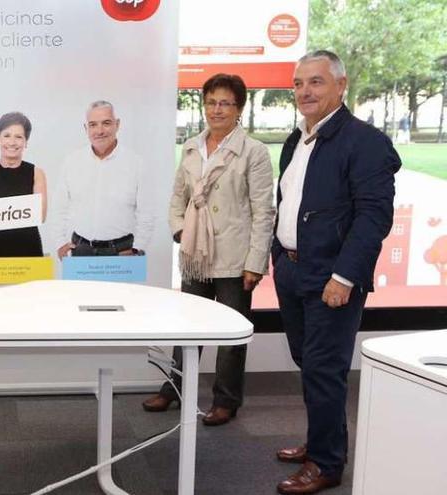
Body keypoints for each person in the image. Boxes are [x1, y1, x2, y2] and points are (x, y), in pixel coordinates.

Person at [272, 50, 400, 494]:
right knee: (309, 365)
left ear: (341, 86)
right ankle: (318, 441)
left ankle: (326, 465)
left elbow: (373, 218)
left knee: (325, 370)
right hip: (291, 272)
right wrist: (277, 254)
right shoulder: (297, 139)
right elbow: (288, 204)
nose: (304, 91)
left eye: (316, 82)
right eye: (298, 83)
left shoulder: (365, 142)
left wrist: (343, 278)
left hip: (331, 278)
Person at [142, 74, 275, 426]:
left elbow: (264, 211)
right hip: (195, 256)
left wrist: (255, 262)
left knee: (230, 334)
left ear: (239, 109)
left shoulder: (254, 152)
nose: (217, 109)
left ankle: (226, 401)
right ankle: (174, 389)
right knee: (188, 328)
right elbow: (177, 199)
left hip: (235, 257)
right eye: (211, 102)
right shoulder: (190, 147)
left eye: (225, 103)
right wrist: (181, 230)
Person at [53, 101, 155, 257]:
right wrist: (60, 243)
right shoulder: (71, 162)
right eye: (93, 125)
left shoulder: (136, 164)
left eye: (106, 123)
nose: (99, 131)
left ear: (117, 124)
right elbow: (59, 208)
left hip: (122, 251)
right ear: (86, 128)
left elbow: (146, 213)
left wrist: (137, 248)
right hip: (81, 250)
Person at [0, 112, 46, 257]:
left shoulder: (36, 173)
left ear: (26, 142)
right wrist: (23, 209)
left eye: (18, 137)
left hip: (29, 248)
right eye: (7, 135)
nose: (12, 142)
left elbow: (39, 215)